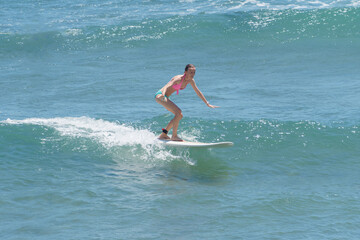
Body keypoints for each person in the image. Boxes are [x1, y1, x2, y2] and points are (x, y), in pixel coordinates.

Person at [155, 64, 219, 141]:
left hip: (165, 97)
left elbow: (198, 92)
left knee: (179, 116)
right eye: (190, 72)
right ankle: (174, 136)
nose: (192, 74)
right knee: (178, 112)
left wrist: (207, 103)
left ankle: (164, 134)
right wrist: (162, 95)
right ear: (185, 72)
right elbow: (166, 86)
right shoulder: (178, 79)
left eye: (194, 72)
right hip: (160, 96)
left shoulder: (190, 80)